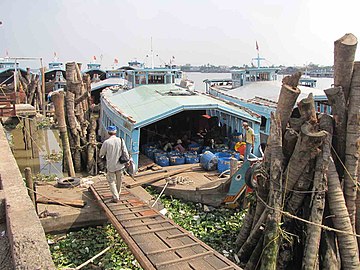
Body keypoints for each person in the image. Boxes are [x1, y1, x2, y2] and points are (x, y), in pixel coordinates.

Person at [99, 126, 130, 203]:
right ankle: (117, 194)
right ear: (115, 132)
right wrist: (128, 161)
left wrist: (101, 156)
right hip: (120, 164)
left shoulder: (106, 142)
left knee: (111, 181)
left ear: (108, 132)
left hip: (111, 165)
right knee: (119, 180)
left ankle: (116, 197)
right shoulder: (121, 140)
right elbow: (125, 152)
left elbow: (101, 154)